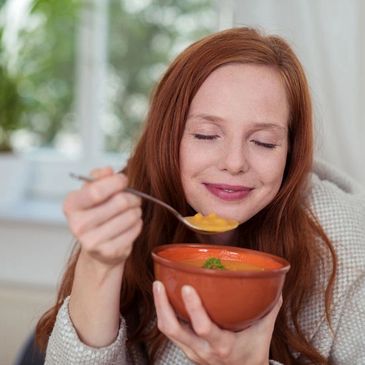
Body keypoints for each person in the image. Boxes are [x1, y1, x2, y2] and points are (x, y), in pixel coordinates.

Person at [36, 27, 365, 364]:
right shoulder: (131, 211)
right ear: (168, 136)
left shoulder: (350, 249)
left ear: (291, 152)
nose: (234, 163)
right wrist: (100, 264)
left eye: (264, 142)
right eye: (207, 135)